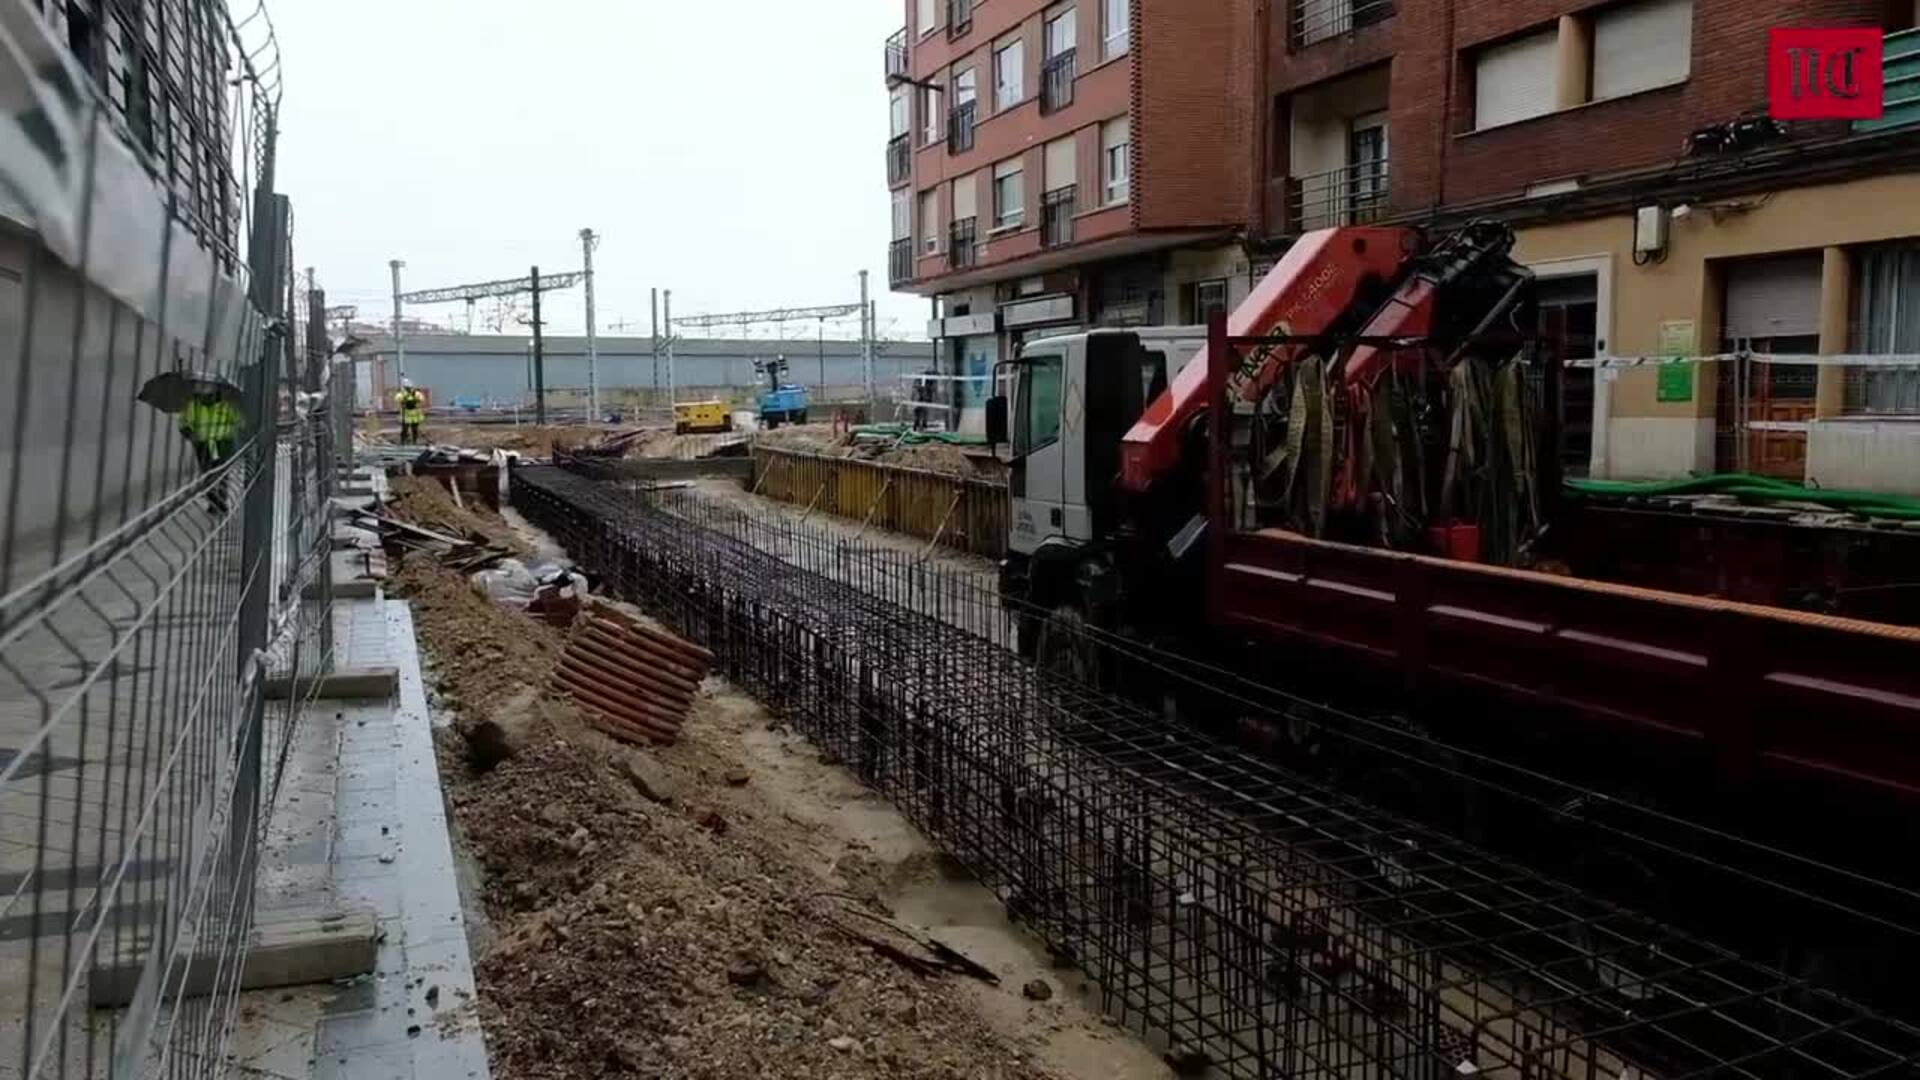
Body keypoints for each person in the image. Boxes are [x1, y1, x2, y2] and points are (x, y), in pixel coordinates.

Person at [180, 388, 240, 514]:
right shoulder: (193, 405)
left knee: (221, 474)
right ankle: (215, 501)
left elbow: (237, 422)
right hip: (204, 445)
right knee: (208, 475)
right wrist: (191, 435)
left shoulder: (225, 406)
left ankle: (220, 502)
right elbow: (183, 424)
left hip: (221, 444)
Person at [396, 379, 426, 444]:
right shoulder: (402, 394)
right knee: (405, 429)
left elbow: (421, 399)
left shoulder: (415, 393)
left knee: (414, 429)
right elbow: (398, 399)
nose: (408, 389)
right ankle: (403, 441)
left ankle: (413, 441)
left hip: (414, 413)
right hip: (407, 413)